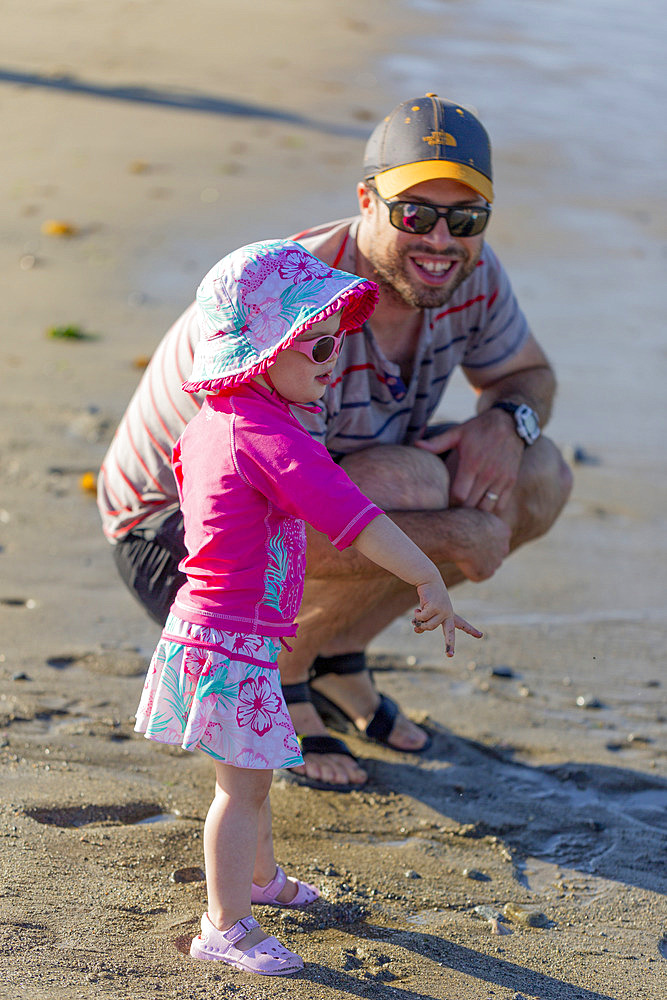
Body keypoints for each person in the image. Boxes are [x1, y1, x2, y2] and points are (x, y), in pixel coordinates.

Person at [98, 93, 572, 791]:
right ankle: (283, 673)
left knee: (539, 472)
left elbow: (527, 374)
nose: (440, 240)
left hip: (313, 499)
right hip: (175, 539)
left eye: (465, 218)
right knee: (413, 486)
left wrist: (505, 423)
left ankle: (336, 656)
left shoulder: (469, 271)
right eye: (415, 214)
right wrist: (452, 533)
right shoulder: (292, 300)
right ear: (365, 200)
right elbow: (273, 502)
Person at [134, 239, 481, 975]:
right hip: (230, 638)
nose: (332, 359)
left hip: (221, 631)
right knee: (241, 786)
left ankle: (258, 881)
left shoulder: (216, 420)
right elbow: (352, 517)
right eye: (316, 344)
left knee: (253, 776)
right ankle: (223, 925)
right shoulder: (266, 435)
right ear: (261, 354)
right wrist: (427, 576)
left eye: (337, 341)